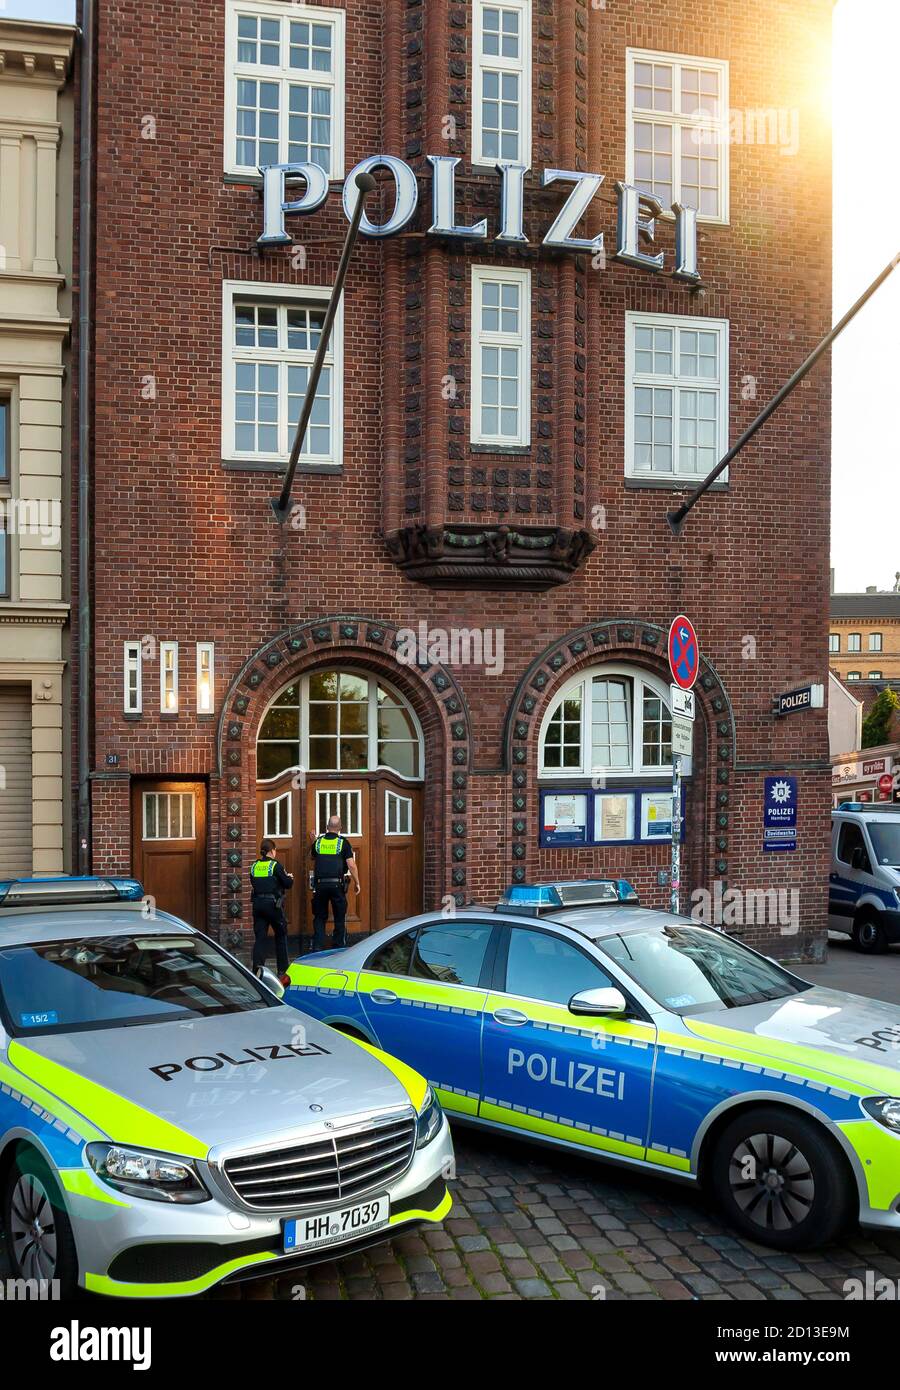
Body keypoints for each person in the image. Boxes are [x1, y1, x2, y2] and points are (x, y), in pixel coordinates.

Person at [310, 814, 359, 951]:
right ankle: (338, 949)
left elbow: (312, 856)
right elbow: (351, 865)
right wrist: (357, 882)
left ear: (327, 827)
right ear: (340, 828)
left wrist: (313, 841)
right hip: (337, 885)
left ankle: (317, 949)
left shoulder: (318, 842)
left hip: (320, 885)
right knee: (339, 917)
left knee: (319, 917)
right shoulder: (343, 843)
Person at [249, 838, 294, 976]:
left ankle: (257, 970)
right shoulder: (275, 865)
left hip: (258, 905)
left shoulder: (254, 866)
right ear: (272, 851)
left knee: (260, 938)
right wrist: (289, 877)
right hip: (273, 905)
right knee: (280, 935)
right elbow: (287, 884)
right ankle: (282, 970)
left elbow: (254, 881)